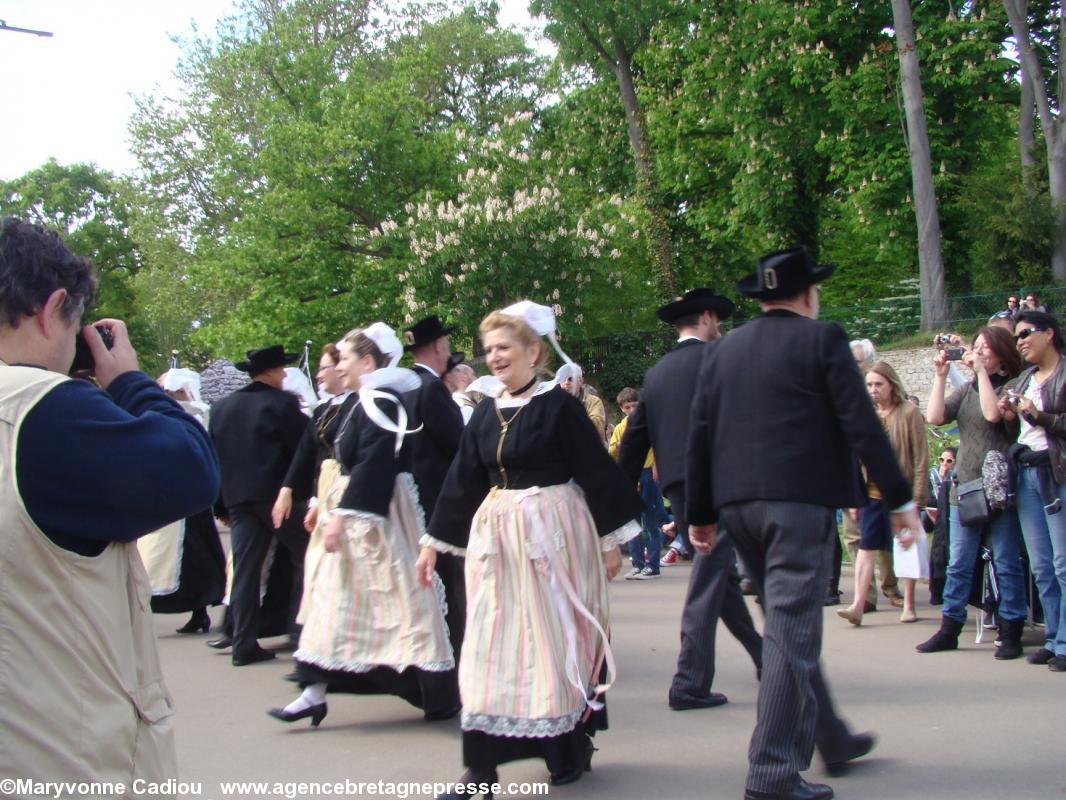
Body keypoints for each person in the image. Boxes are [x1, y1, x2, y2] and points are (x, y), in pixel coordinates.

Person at [686, 247, 920, 800]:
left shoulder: (724, 349)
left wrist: (699, 513)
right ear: (809, 295)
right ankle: (771, 773)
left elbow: (700, 431)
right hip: (799, 504)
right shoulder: (823, 339)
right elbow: (861, 423)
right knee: (792, 633)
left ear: (762, 297)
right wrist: (900, 496)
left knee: (787, 627)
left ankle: (830, 737)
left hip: (738, 505)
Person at [0, 217, 220, 786]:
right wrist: (130, 381)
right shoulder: (43, 409)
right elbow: (191, 470)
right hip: (58, 753)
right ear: (53, 309)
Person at [416, 301, 643, 796]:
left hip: (555, 536)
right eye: (489, 349)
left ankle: (567, 745)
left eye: (504, 347)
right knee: (491, 642)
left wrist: (611, 543)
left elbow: (594, 470)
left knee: (553, 639)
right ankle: (481, 770)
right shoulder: (485, 411)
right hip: (497, 543)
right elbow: (462, 480)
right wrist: (432, 545)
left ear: (533, 352)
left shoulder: (558, 406)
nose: (494, 357)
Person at [269, 323, 457, 726]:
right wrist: (323, 502)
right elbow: (336, 456)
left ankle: (435, 693)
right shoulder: (360, 400)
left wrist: (345, 514)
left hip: (380, 518)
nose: (338, 366)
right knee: (333, 600)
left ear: (368, 362)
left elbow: (376, 462)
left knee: (401, 602)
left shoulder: (382, 401)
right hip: (357, 513)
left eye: (346, 358)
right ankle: (313, 690)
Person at [618, 287, 762, 709]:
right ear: (706, 316)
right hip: (720, 485)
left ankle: (765, 657)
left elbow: (633, 440)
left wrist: (616, 494)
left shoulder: (657, 373)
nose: (720, 325)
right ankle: (688, 682)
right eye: (716, 318)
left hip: (678, 488)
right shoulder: (720, 361)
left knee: (720, 577)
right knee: (709, 579)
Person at [917, 327, 1028, 657]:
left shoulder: (1012, 388)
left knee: (1007, 561)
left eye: (985, 349)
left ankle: (1011, 630)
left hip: (999, 490)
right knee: (958, 563)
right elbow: (935, 417)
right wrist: (939, 376)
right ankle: (950, 628)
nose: (978, 353)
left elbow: (993, 415)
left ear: (1002, 355)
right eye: (975, 347)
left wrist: (980, 373)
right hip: (965, 487)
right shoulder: (965, 390)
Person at [208, 345, 310, 665]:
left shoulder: (222, 407)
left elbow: (215, 459)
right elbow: (301, 452)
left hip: (239, 499)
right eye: (281, 370)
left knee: (245, 572)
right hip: (277, 498)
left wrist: (220, 506)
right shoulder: (283, 404)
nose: (283, 375)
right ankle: (301, 631)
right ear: (268, 372)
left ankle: (242, 642)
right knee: (307, 555)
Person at [272, 343, 357, 636]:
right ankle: (308, 633)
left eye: (323, 368)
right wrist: (289, 491)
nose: (318, 375)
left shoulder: (357, 403)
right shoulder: (323, 409)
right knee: (317, 560)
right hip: (324, 489)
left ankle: (324, 636)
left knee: (332, 562)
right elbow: (306, 454)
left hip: (344, 488)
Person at [999, 311, 1066, 672]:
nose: (1020, 341)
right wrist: (1011, 411)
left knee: (1063, 563)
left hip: (1056, 472)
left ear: (1049, 334)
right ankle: (1054, 637)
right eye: (1017, 337)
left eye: (1026, 334)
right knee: (1041, 566)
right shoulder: (1024, 378)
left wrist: (1038, 416)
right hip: (1024, 474)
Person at [137, 368, 226, 634]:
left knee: (194, 557)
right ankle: (159, 611)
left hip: (190, 498)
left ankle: (199, 611)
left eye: (172, 390)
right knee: (157, 556)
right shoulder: (166, 413)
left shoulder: (196, 414)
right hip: (168, 495)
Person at [838, 361, 927, 625]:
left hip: (902, 495)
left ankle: (908, 604)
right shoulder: (866, 415)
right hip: (871, 494)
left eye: (879, 384)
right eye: (869, 385)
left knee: (904, 547)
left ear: (891, 384)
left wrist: (918, 500)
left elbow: (921, 459)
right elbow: (856, 458)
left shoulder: (909, 412)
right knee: (866, 548)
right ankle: (857, 604)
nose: (874, 390)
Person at [404, 314, 468, 662]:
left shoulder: (406, 384)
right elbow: (456, 444)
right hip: (437, 499)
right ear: (438, 347)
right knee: (448, 584)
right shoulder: (431, 389)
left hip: (412, 496)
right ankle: (453, 658)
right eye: (445, 345)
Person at [840, 338, 903, 611]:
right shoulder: (845, 395)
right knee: (855, 538)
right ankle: (865, 596)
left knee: (884, 539)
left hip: (879, 482)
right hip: (852, 477)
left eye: (856, 361)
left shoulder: (889, 400)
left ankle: (891, 586)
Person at [609, 386, 668, 579]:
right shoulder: (620, 428)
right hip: (629, 476)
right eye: (627, 407)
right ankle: (637, 562)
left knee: (650, 519)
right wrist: (618, 446)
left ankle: (652, 564)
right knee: (632, 522)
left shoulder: (648, 425)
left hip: (648, 474)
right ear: (622, 409)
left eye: (635, 406)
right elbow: (611, 450)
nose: (632, 410)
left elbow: (659, 445)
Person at [557, 362, 608, 442]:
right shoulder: (554, 404)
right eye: (563, 379)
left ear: (580, 381)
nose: (566, 383)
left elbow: (596, 427)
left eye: (571, 379)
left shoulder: (594, 401)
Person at [443, 353, 478, 424]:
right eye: (473, 375)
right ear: (464, 377)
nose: (476, 379)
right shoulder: (465, 408)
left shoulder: (453, 403)